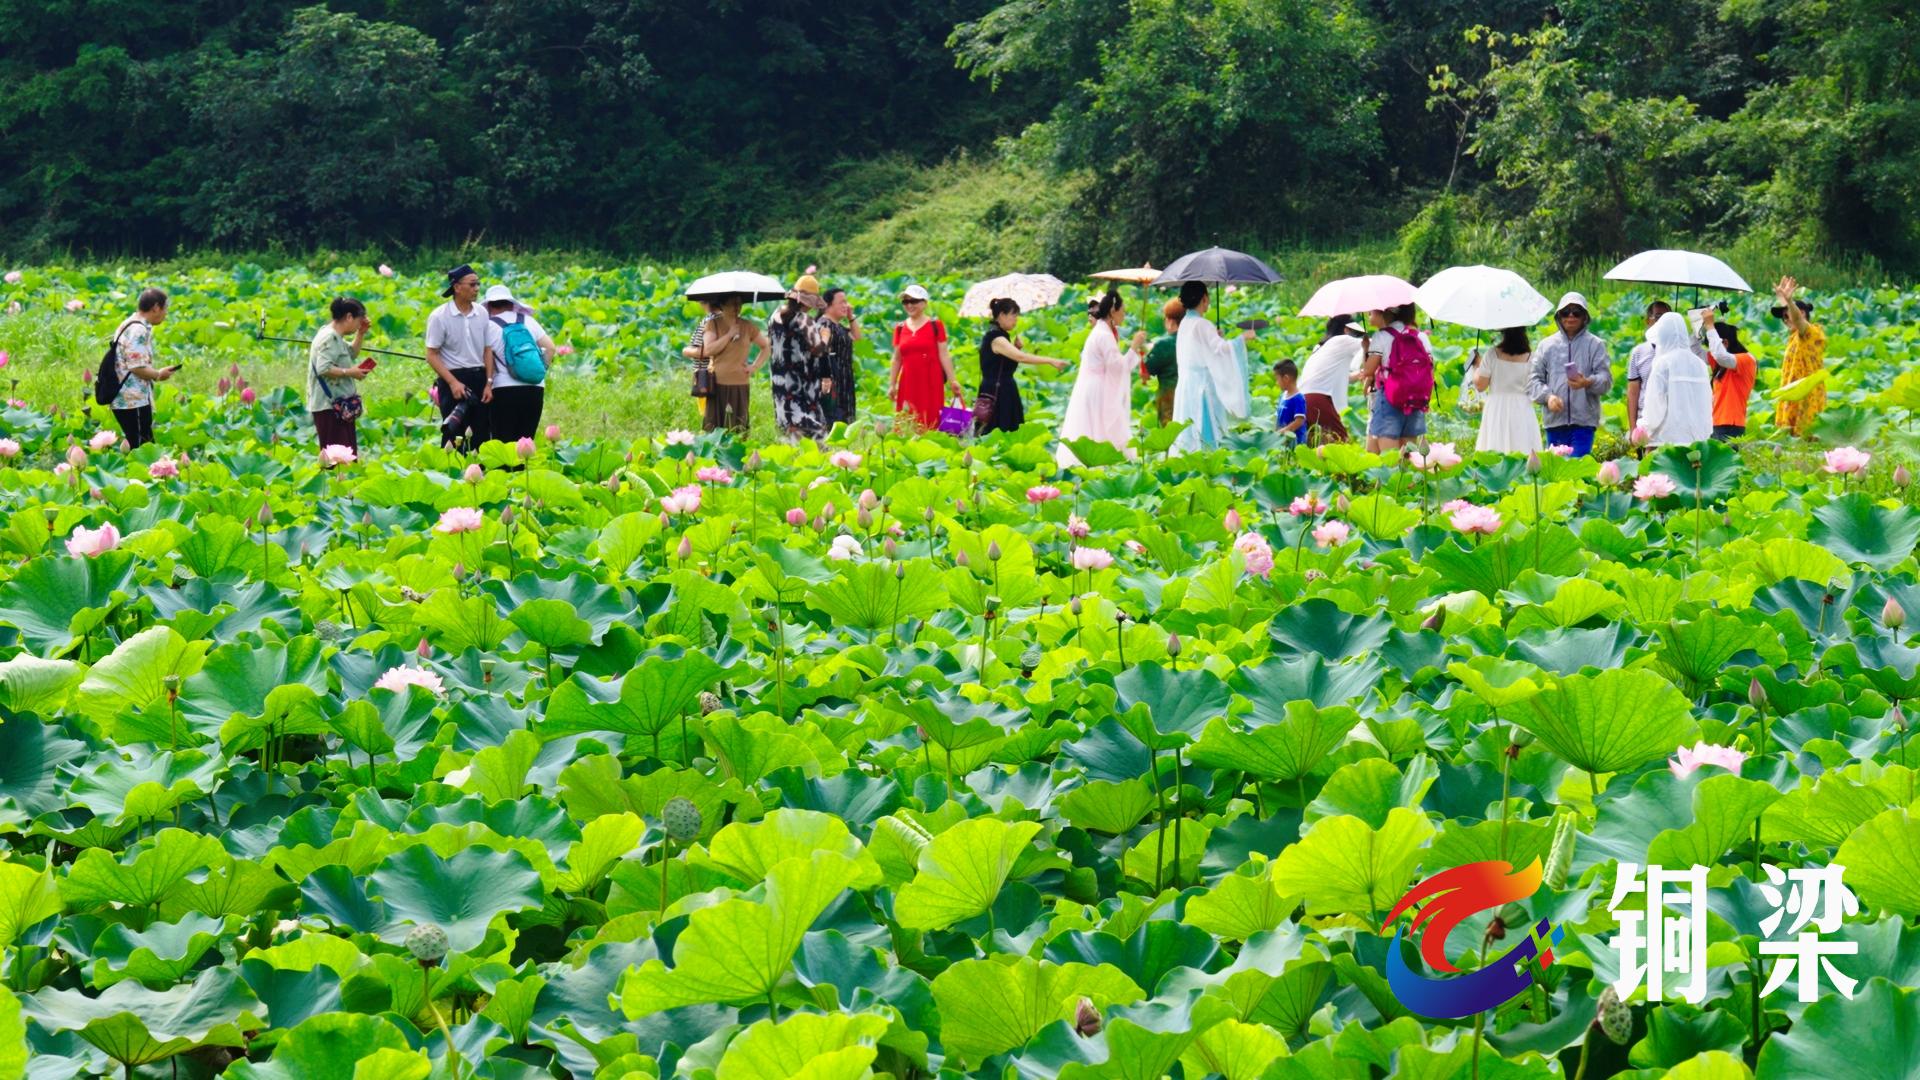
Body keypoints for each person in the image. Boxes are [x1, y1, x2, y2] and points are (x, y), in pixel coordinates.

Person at [1057, 290, 1138, 467]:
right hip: (1098, 388)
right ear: (1112, 311)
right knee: (1100, 427)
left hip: (1092, 386)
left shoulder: (1102, 331)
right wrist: (1134, 347)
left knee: (1095, 426)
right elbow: (1117, 368)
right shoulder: (1104, 335)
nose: (1124, 315)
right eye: (1122, 310)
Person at [1170, 283, 1253, 453]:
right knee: (1204, 427)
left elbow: (1201, 349)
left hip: (1186, 384)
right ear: (1204, 299)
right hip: (1202, 387)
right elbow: (1221, 350)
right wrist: (1242, 339)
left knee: (1187, 427)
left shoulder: (1185, 323)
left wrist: (1214, 337)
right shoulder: (1202, 324)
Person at [1527, 292, 1612, 457]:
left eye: (1576, 312)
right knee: (1558, 474)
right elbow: (1533, 380)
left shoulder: (1596, 345)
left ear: (1584, 316)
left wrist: (1587, 382)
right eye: (1566, 312)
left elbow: (1606, 381)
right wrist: (1548, 397)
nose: (1571, 316)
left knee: (1577, 469)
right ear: (1559, 316)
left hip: (1584, 421)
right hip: (1554, 421)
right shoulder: (1546, 346)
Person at [425, 264, 495, 449]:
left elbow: (488, 350)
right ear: (457, 287)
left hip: (479, 377)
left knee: (480, 432)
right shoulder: (439, 316)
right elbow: (431, 354)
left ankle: (477, 473)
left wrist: (489, 383)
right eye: (472, 285)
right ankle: (452, 474)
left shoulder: (482, 313)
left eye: (478, 284)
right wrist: (453, 382)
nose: (477, 289)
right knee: (453, 432)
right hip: (453, 380)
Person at [976, 297, 1067, 434]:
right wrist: (1050, 360)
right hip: (997, 391)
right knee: (999, 430)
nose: (1016, 320)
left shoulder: (1001, 336)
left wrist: (1016, 347)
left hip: (1002, 388)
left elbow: (1004, 364)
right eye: (1013, 315)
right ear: (1001, 315)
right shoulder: (996, 338)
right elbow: (1021, 357)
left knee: (1005, 430)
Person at [481, 285, 555, 446]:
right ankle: (523, 471)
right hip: (535, 388)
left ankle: (505, 472)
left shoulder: (488, 326)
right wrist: (539, 370)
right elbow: (551, 348)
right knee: (525, 443)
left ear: (489, 306)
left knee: (504, 443)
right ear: (511, 303)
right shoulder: (528, 321)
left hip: (504, 390)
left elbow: (486, 360)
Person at [685, 294, 766, 434]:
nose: (737, 307)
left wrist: (754, 367)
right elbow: (709, 349)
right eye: (732, 304)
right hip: (717, 383)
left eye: (739, 304)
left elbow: (766, 346)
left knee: (738, 428)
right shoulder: (713, 324)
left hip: (740, 383)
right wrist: (729, 335)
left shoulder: (747, 326)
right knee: (715, 428)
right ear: (721, 305)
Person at [107, 288, 176, 449]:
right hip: (132, 399)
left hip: (127, 398)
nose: (166, 313)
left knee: (140, 444)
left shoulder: (129, 322)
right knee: (141, 446)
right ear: (156, 308)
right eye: (165, 308)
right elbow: (136, 367)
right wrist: (159, 374)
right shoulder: (138, 330)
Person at [1359, 304, 1434, 452]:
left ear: (1387, 311)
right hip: (1416, 400)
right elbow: (1430, 367)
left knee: (1390, 458)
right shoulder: (1421, 337)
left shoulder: (1382, 336)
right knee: (1408, 456)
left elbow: (1368, 370)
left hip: (1390, 398)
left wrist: (1366, 349)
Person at [767, 274, 831, 441]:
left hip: (780, 379)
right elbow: (819, 350)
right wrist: (825, 336)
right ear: (807, 302)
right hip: (801, 381)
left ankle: (793, 457)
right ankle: (823, 458)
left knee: (790, 424)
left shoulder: (774, 316)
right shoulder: (804, 320)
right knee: (814, 430)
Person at [891, 284, 962, 431]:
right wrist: (892, 384)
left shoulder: (935, 325)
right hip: (908, 380)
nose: (909, 305)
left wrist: (953, 380)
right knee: (907, 419)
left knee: (931, 418)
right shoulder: (900, 327)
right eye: (906, 302)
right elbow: (897, 359)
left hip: (930, 380)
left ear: (924, 303)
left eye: (914, 301)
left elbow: (944, 354)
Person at [1639, 310, 1713, 447]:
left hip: (1664, 444)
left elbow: (1654, 408)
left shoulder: (1663, 364)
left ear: (1662, 336)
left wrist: (1643, 428)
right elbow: (1707, 404)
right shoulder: (1700, 365)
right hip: (1697, 443)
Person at [308, 296, 372, 453]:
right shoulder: (328, 337)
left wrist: (361, 334)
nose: (359, 325)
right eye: (359, 320)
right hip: (329, 407)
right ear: (349, 317)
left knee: (347, 457)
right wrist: (351, 372)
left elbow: (351, 354)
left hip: (340, 407)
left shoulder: (335, 335)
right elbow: (324, 368)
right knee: (336, 461)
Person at [1471, 326, 1542, 455]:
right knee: (1523, 448)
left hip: (1497, 407)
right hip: (1522, 407)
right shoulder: (1532, 358)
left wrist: (1476, 366)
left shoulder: (1492, 354)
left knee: (1495, 449)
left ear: (1502, 331)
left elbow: (1480, 385)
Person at [1770, 276, 1826, 437]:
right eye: (1784, 318)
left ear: (1801, 313)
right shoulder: (1794, 337)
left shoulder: (1811, 333)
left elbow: (1799, 321)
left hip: (1807, 398)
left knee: (1806, 441)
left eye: (1787, 316)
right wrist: (1784, 302)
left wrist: (1789, 302)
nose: (1786, 320)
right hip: (1793, 395)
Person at [1296, 315, 1363, 444]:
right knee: (1341, 444)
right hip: (1317, 398)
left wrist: (1360, 373)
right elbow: (1375, 346)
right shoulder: (1343, 340)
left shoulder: (1320, 347)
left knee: (1316, 446)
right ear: (1346, 330)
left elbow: (1336, 376)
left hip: (1300, 399)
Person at [1704, 313, 1758, 441]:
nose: (1711, 350)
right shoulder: (1720, 364)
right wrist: (1699, 325)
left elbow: (1720, 355)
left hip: (1731, 424)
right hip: (1716, 422)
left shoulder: (1747, 359)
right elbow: (1695, 351)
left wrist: (1710, 326)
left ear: (1725, 343)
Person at [1624, 300, 1673, 433]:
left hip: (1673, 421)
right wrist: (1633, 428)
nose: (1662, 321)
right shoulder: (1638, 352)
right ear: (1648, 321)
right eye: (1658, 317)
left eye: (1667, 317)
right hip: (1645, 420)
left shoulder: (1678, 351)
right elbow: (1633, 392)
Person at [820, 286, 861, 427]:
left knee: (844, 422)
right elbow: (822, 354)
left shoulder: (838, 326)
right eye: (842, 302)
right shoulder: (825, 325)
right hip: (833, 382)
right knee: (834, 422)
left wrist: (851, 317)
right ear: (828, 305)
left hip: (844, 380)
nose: (846, 305)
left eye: (846, 302)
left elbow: (856, 336)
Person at [1144, 300, 1183, 424]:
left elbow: (1149, 369)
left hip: (1168, 396)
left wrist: (1145, 352)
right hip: (1188, 394)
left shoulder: (1163, 343)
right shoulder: (1192, 339)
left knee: (1170, 432)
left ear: (1170, 321)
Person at [1274, 360, 1307, 445]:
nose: (1277, 383)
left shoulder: (1298, 398)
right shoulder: (1283, 396)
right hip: (1283, 440)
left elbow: (1299, 421)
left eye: (1277, 379)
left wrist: (1285, 430)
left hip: (1295, 441)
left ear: (1286, 378)